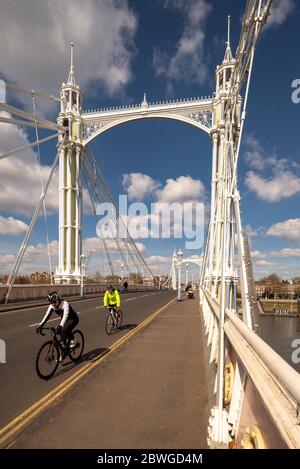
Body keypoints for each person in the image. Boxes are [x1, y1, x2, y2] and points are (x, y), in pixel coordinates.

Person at [36, 291, 79, 357]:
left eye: (54, 302)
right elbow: (46, 316)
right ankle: (64, 351)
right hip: (64, 319)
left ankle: (73, 340)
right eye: (51, 302)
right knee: (61, 335)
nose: (53, 304)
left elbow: (65, 316)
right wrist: (40, 325)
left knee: (64, 330)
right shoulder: (52, 306)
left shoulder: (65, 303)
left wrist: (60, 325)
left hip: (73, 319)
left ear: (58, 299)